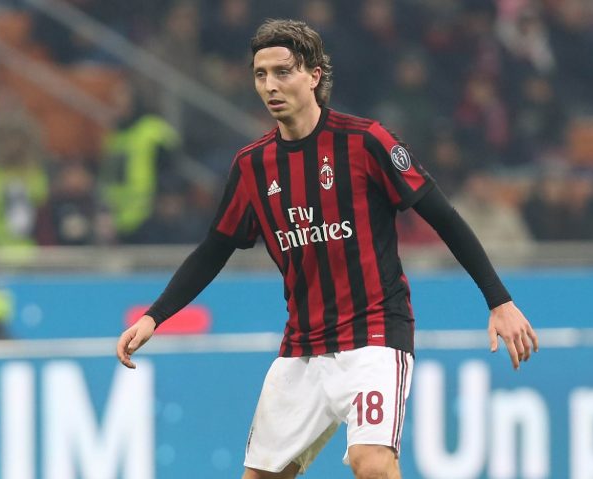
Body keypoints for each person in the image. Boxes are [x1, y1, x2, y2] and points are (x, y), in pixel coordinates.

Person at [116, 19, 539, 479]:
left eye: (283, 72)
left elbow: (445, 217)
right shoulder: (253, 166)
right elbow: (213, 250)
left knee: (371, 462)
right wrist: (154, 316)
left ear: (314, 75)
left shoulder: (365, 142)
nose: (270, 85)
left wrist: (499, 300)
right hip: (302, 347)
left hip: (375, 335)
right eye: (261, 74)